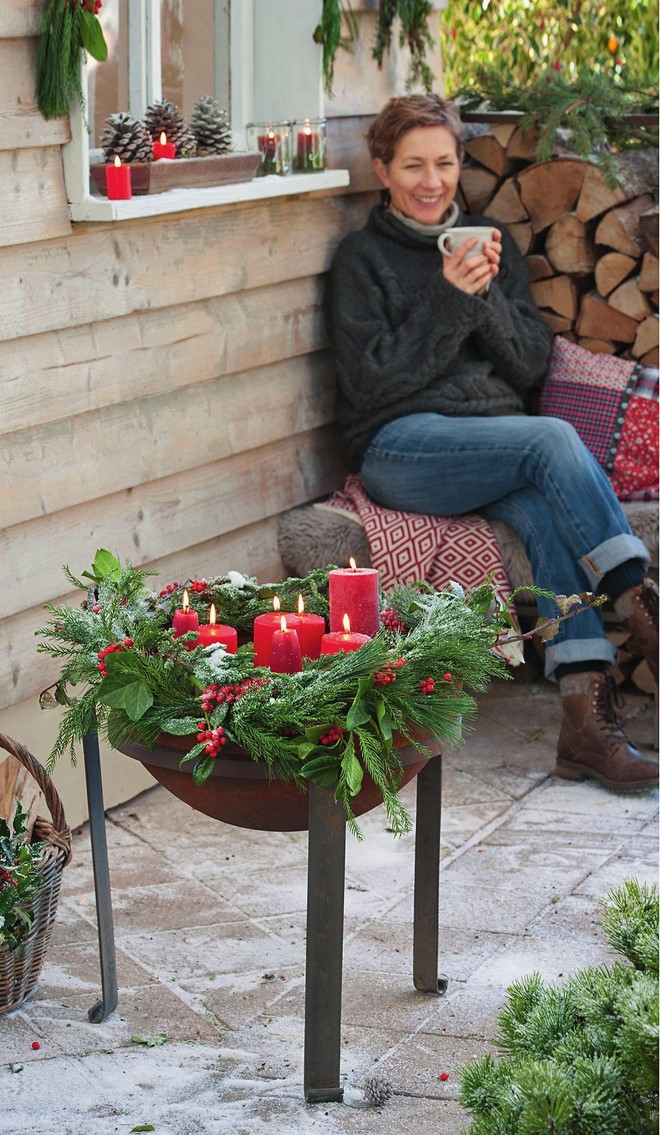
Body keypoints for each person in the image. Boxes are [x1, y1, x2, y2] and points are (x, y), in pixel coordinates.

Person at [326, 93, 658, 791]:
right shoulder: (361, 260)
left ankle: (584, 729)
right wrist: (447, 297)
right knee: (551, 442)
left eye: (443, 163)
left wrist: (479, 295)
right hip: (402, 450)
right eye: (413, 165)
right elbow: (372, 382)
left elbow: (530, 364)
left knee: (543, 511)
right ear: (383, 170)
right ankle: (635, 596)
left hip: (492, 447)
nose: (431, 181)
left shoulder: (486, 243)